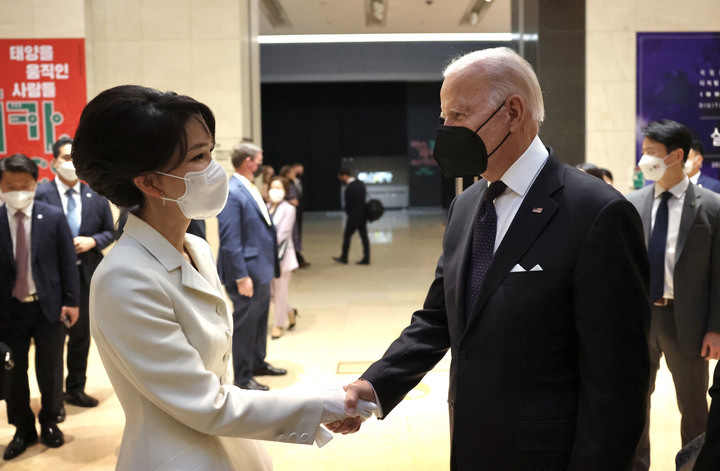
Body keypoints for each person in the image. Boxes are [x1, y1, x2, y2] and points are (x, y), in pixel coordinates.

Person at [329, 47, 651, 470]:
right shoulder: (465, 206)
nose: (446, 130)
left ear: (513, 112)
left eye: (458, 116)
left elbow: (618, 382)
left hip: (550, 456)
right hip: (472, 447)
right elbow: (438, 318)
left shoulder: (597, 213)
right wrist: (374, 383)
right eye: (443, 118)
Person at [71, 85, 376, 470]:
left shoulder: (195, 249)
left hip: (229, 444)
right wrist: (321, 404)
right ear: (149, 182)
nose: (214, 170)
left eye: (211, 153)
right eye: (199, 157)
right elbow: (205, 401)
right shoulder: (125, 278)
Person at [625, 119, 720, 471]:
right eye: (643, 151)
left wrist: (716, 327)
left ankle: (695, 466)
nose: (644, 159)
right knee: (634, 403)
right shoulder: (632, 204)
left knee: (695, 409)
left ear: (676, 156)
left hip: (689, 322)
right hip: (640, 319)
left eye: (651, 153)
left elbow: (719, 275)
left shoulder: (711, 206)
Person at [0, 154, 79, 460]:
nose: (18, 191)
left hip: (49, 308)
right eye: (10, 186)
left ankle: (50, 421)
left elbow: (66, 264)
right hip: (8, 313)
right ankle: (22, 428)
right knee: (14, 373)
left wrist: (72, 302)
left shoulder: (53, 216)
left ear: (35, 183)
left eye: (25, 185)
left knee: (50, 370)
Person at [35, 137, 115, 418]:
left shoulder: (96, 195)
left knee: (82, 337)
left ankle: (76, 389)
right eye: (65, 158)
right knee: (53, 341)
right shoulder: (40, 195)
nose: (70, 164)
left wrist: (93, 241)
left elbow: (111, 230)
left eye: (74, 159)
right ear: (53, 162)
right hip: (53, 280)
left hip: (87, 275)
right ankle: (53, 399)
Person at [217, 143, 286, 391]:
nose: (260, 164)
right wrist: (240, 276)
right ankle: (243, 377)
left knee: (259, 320)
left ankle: (258, 362)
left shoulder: (249, 186)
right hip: (246, 271)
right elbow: (229, 238)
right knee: (246, 323)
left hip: (261, 268)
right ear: (248, 161)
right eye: (258, 160)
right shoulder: (232, 190)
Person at [267, 176, 299, 340]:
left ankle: (278, 324)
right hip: (266, 257)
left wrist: (264, 243)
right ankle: (289, 311)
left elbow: (283, 234)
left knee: (280, 293)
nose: (275, 191)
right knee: (271, 293)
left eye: (279, 188)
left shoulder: (289, 209)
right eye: (273, 187)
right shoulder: (266, 207)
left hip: (282, 257)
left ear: (285, 191)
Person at [332, 169, 370, 265]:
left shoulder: (350, 188)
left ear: (344, 176)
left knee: (347, 236)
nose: (341, 180)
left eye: (340, 178)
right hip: (363, 215)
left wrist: (350, 214)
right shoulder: (360, 184)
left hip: (353, 216)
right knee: (364, 237)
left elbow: (348, 204)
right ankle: (367, 258)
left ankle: (344, 258)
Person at [291, 162, 310, 268]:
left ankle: (298, 258)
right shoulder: (289, 183)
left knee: (297, 234)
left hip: (298, 212)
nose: (301, 172)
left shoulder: (298, 182)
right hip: (292, 211)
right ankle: (297, 259)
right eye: (300, 169)